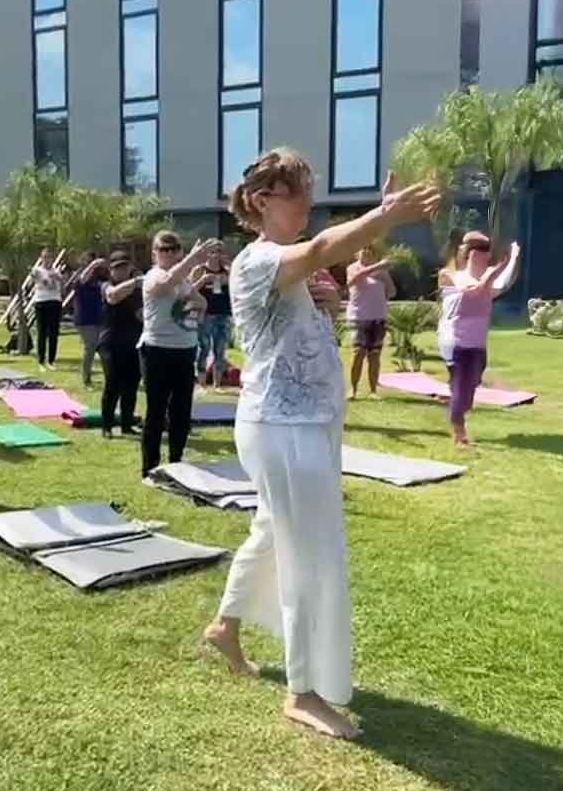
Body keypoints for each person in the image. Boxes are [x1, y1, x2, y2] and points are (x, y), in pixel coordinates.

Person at [203, 149, 439, 739]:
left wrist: (365, 242)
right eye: (296, 192)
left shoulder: (285, 266)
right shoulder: (258, 261)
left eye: (307, 190)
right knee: (311, 556)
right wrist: (383, 214)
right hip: (284, 430)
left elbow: (325, 261)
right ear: (261, 202)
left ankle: (226, 625)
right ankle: (302, 690)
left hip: (300, 425)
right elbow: (317, 251)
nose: (308, 202)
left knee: (271, 532)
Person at [139, 231, 217, 478]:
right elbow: (164, 286)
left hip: (185, 351)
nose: (170, 253)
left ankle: (176, 462)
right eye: (164, 249)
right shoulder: (153, 276)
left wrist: (195, 287)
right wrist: (192, 261)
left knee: (182, 411)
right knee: (156, 411)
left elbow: (202, 305)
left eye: (175, 248)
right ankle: (150, 467)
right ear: (155, 254)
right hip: (157, 351)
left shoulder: (182, 280)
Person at [437, 231, 521, 446]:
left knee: (472, 384)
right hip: (454, 341)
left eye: (486, 251)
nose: (485, 255)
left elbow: (500, 285)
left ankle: (457, 396)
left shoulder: (490, 277)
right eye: (479, 250)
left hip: (477, 343)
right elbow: (473, 291)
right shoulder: (451, 275)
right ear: (467, 254)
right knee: (462, 386)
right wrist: (497, 270)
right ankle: (459, 434)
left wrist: (513, 257)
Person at [98, 250, 143, 439]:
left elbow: (142, 314)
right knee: (113, 383)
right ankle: (107, 426)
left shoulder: (138, 292)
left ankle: (126, 424)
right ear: (111, 270)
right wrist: (135, 282)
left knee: (131, 385)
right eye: (118, 268)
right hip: (110, 342)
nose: (122, 271)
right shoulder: (106, 285)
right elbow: (113, 296)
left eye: (125, 267)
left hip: (132, 342)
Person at [345, 245, 396, 399]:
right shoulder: (353, 268)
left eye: (370, 250)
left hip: (378, 317)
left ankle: (373, 391)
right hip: (358, 317)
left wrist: (384, 276)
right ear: (357, 253)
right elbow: (354, 280)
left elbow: (392, 291)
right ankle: (353, 390)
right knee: (358, 353)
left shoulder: (382, 272)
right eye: (363, 249)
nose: (366, 252)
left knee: (375, 355)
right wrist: (378, 265)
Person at [192, 241, 233, 388]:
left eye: (219, 252)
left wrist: (229, 277)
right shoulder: (199, 270)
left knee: (220, 350)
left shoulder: (228, 271)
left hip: (224, 314)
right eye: (213, 252)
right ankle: (202, 384)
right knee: (204, 348)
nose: (216, 255)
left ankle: (217, 385)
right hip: (206, 314)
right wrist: (203, 281)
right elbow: (189, 291)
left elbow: (240, 286)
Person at [71, 252, 107, 388]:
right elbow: (83, 278)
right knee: (91, 347)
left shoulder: (98, 280)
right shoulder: (80, 278)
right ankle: (86, 379)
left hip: (98, 318)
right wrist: (94, 263)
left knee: (102, 348)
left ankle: (109, 376)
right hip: (84, 320)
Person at [30, 247, 64, 371]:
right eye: (44, 257)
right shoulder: (37, 270)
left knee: (53, 333)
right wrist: (45, 279)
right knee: (42, 332)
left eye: (49, 257)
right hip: (41, 302)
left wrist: (56, 278)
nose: (47, 260)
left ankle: (51, 360)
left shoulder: (57, 271)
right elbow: (39, 280)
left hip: (55, 302)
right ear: (41, 258)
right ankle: (41, 361)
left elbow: (58, 284)